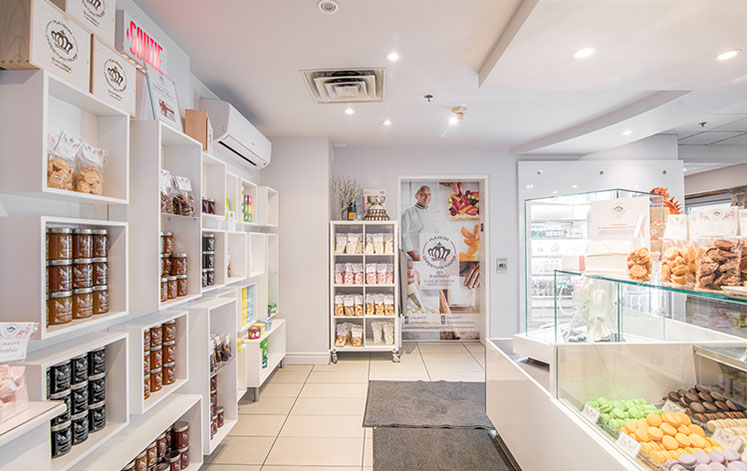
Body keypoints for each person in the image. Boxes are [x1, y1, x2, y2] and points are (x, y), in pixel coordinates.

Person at [401, 185, 439, 261]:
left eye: (429, 194)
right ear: (416, 196)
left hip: (430, 255)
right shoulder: (408, 212)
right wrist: (414, 256)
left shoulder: (433, 213)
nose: (426, 197)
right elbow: (404, 235)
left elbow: (436, 234)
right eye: (423, 194)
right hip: (414, 255)